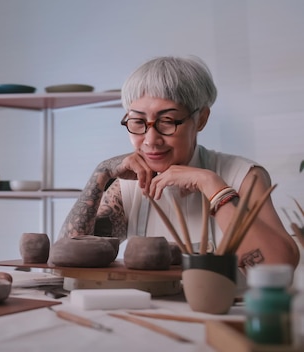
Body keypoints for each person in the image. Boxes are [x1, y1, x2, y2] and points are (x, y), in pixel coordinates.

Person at [58, 55, 300, 270]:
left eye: (168, 121)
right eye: (137, 122)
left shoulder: (243, 175)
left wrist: (211, 184)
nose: (151, 140)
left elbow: (278, 268)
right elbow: (67, 257)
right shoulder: (129, 186)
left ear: (201, 119)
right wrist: (101, 173)